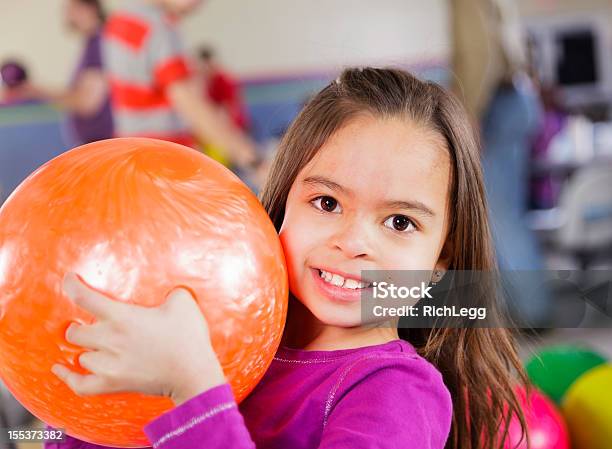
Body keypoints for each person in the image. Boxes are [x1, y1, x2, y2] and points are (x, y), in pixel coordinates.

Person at [45, 68, 529, 449]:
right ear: (280, 207)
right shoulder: (214, 340)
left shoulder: (395, 392)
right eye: (327, 203)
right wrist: (89, 393)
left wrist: (191, 390)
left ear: (440, 265)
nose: (353, 241)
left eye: (400, 222)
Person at [451, 0, 552, 328]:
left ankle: (534, 313)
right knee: (504, 214)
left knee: (500, 216)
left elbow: (480, 54)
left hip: (497, 105)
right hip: (513, 99)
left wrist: (469, 112)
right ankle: (524, 309)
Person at [103, 0, 258, 171]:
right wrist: (252, 159)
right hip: (166, 155)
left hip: (130, 153)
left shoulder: (118, 21)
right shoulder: (159, 28)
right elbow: (189, 103)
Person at [30, 0, 113, 145]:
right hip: (95, 143)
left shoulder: (98, 43)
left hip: (101, 142)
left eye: (70, 8)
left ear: (87, 8)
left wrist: (37, 92)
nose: (66, 14)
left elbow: (87, 102)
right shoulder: (92, 43)